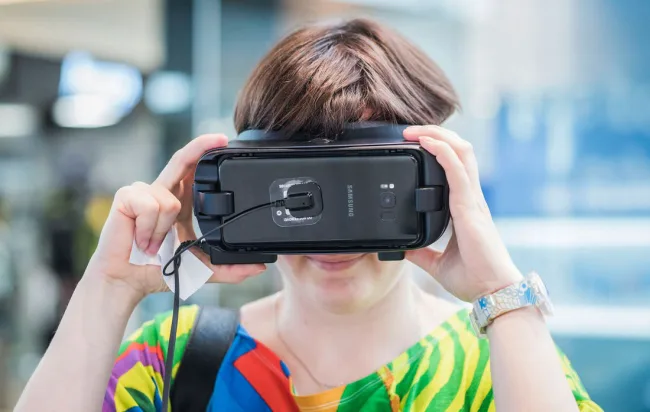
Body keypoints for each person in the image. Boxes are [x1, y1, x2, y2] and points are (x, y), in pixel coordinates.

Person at [15, 19, 602, 412]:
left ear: (438, 181)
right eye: (299, 186)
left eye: (364, 187)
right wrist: (111, 287)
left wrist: (500, 294)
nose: (330, 232)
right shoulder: (170, 360)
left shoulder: (500, 362)